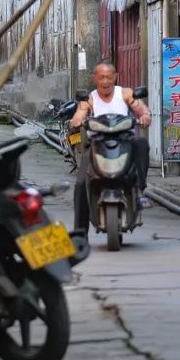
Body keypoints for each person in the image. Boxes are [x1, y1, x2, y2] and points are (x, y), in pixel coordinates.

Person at [70, 62, 152, 235]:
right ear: (95, 79)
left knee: (142, 144)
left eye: (109, 77)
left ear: (115, 77)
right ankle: (80, 233)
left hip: (125, 140)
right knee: (80, 183)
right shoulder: (89, 99)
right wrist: (76, 121)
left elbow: (141, 109)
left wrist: (145, 116)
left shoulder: (126, 93)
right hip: (97, 142)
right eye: (101, 77)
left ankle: (139, 190)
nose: (105, 81)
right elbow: (79, 114)